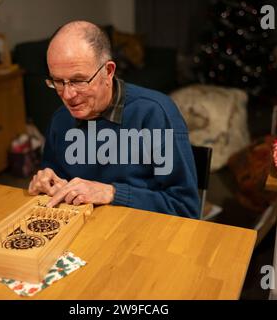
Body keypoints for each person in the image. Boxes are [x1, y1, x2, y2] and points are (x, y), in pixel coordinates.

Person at [28, 20, 200, 219]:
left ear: (108, 72)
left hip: (143, 233)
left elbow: (185, 208)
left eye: (78, 81)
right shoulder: (60, 120)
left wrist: (111, 193)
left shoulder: (155, 114)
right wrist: (46, 182)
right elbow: (54, 183)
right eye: (58, 81)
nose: (67, 95)